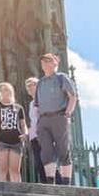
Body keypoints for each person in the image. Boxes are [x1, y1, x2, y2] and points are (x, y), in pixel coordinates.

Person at [35, 53, 77, 185]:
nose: (45, 63)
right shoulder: (40, 83)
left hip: (59, 116)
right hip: (43, 119)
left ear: (55, 63)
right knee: (46, 151)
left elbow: (72, 96)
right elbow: (37, 104)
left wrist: (67, 114)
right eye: (43, 61)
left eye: (48, 60)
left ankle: (66, 183)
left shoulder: (61, 78)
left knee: (63, 149)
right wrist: (38, 121)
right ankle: (50, 182)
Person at [0, 82, 28, 182]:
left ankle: (17, 191)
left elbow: (23, 125)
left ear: (11, 92)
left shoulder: (18, 108)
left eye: (6, 89)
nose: (4, 92)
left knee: (15, 171)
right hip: (1, 142)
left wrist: (25, 133)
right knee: (2, 169)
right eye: (2, 90)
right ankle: (1, 191)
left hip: (16, 142)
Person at [25, 77, 48, 183]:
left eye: (32, 85)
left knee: (47, 161)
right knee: (39, 163)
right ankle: (45, 183)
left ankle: (57, 183)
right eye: (28, 86)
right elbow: (33, 121)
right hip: (34, 136)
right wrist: (28, 134)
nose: (29, 88)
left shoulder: (44, 99)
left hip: (43, 134)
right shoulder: (31, 103)